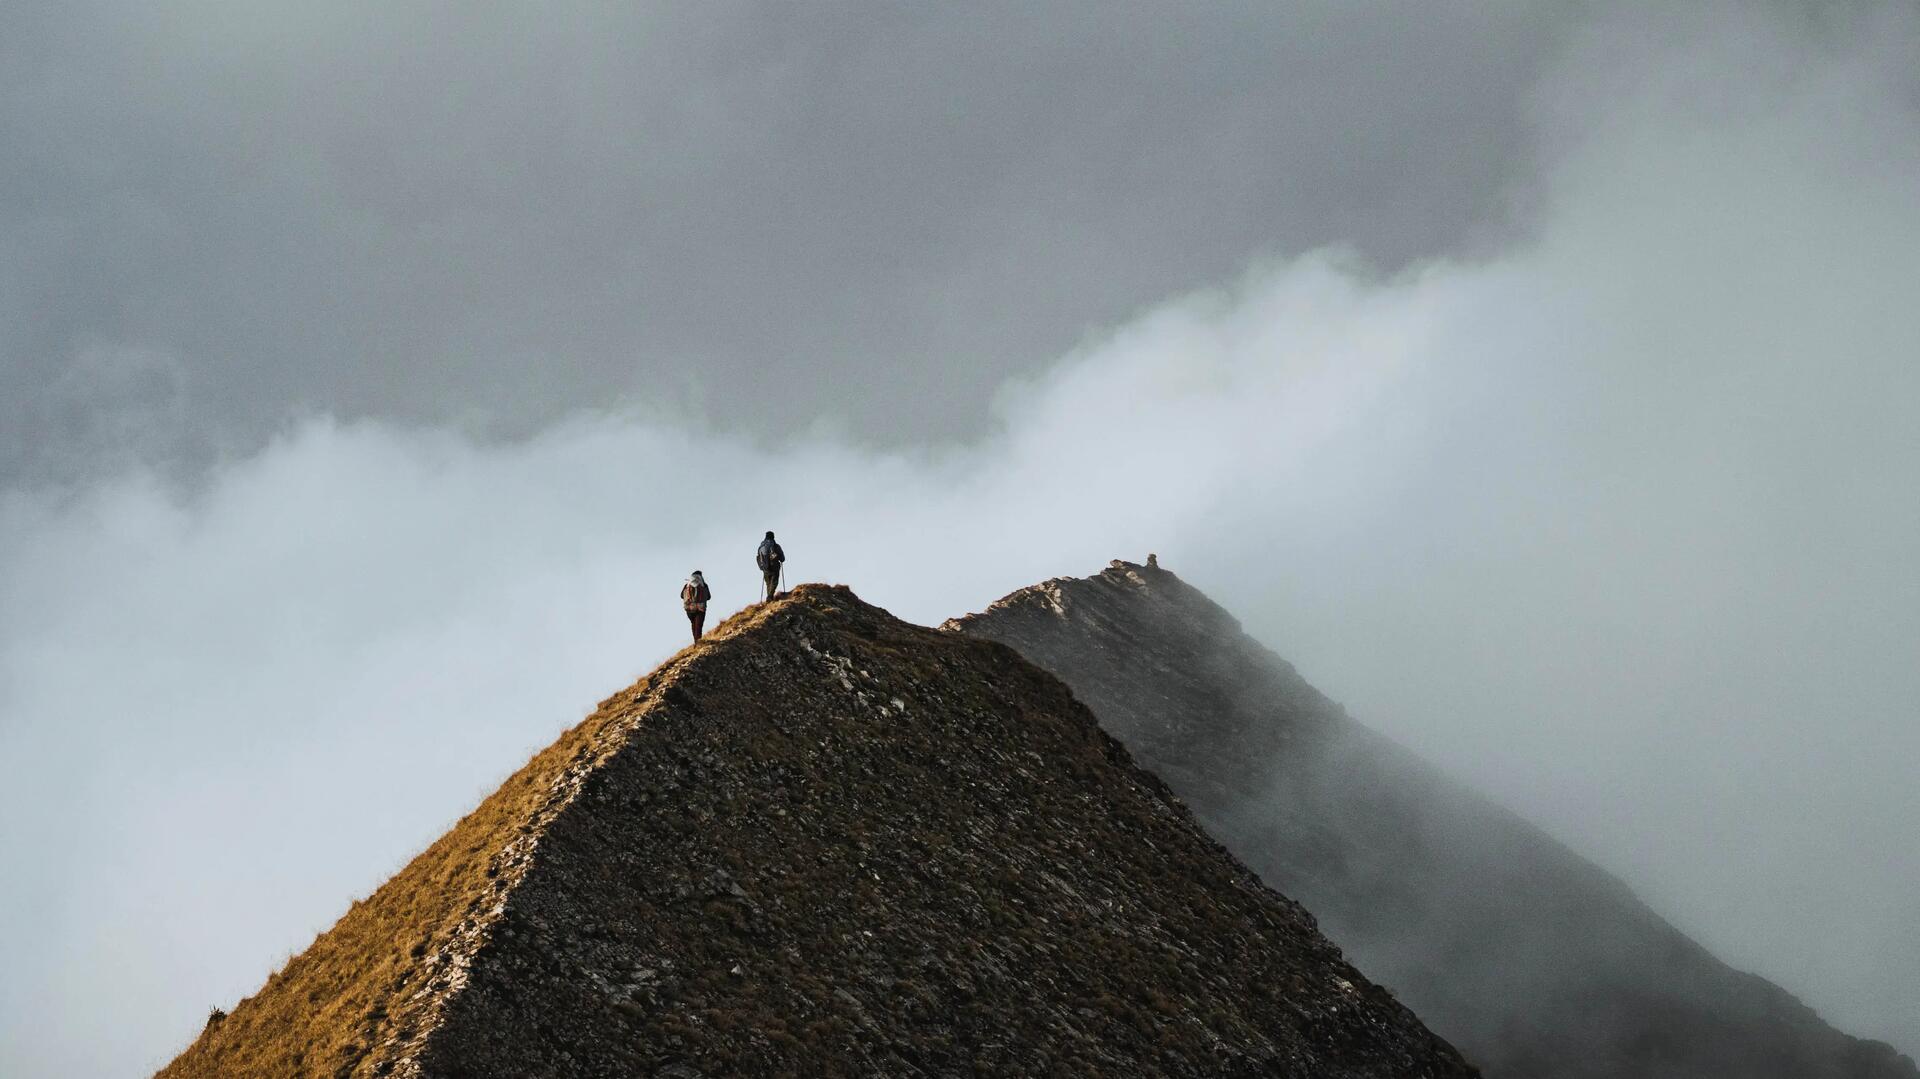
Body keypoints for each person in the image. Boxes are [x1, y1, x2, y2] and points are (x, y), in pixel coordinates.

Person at [680, 570, 711, 641]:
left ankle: (696, 641)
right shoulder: (704, 585)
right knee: (698, 626)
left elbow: (681, 596)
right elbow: (709, 597)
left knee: (693, 623)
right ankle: (698, 642)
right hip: (700, 608)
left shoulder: (687, 585)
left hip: (689, 608)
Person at [756, 531, 785, 601]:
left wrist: (762, 567)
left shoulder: (761, 547)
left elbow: (759, 557)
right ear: (773, 537)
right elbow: (782, 558)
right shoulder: (775, 546)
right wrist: (780, 559)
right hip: (774, 566)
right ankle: (770, 596)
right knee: (774, 582)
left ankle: (769, 597)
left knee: (768, 583)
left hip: (765, 568)